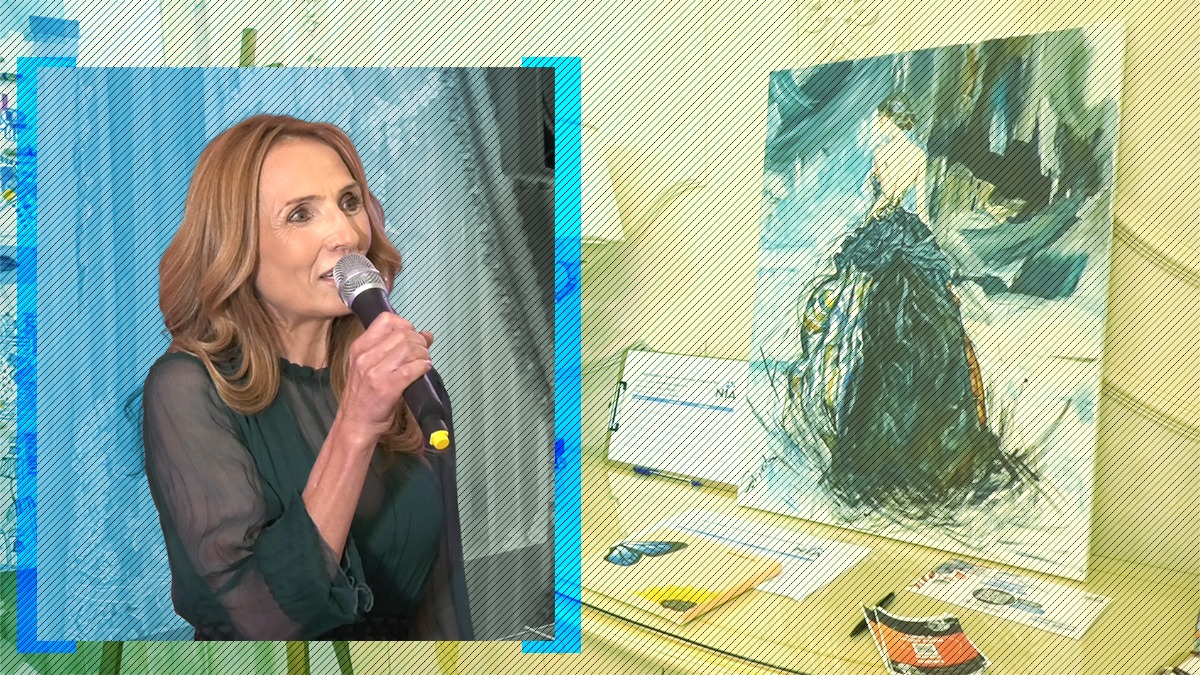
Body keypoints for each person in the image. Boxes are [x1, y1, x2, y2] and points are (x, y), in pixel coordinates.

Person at [142, 114, 473, 641]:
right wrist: (355, 426)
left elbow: (443, 599)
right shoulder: (186, 390)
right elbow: (261, 620)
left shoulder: (404, 386)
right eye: (300, 214)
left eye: (349, 202)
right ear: (237, 245)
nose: (346, 235)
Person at [782, 93, 1005, 517]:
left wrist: (869, 225)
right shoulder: (918, 156)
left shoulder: (884, 155)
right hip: (912, 235)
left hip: (887, 233)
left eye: (882, 120)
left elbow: (882, 204)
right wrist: (926, 247)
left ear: (892, 121)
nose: (878, 126)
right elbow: (920, 210)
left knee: (864, 313)